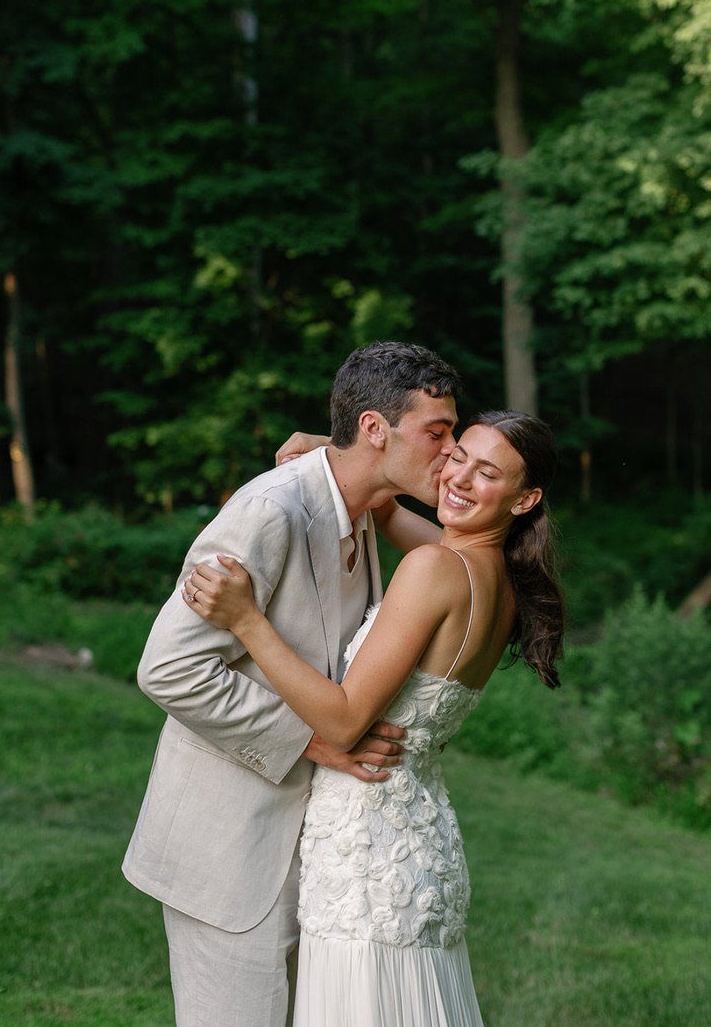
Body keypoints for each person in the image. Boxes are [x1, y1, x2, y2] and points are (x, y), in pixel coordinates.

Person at [182, 410, 564, 1027]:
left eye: (486, 472)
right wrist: (333, 453)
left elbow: (342, 721)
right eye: (458, 454)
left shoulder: (436, 568)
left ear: (526, 499)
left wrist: (246, 620)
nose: (458, 477)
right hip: (419, 842)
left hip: (365, 851)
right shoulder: (496, 581)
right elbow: (385, 510)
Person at [122, 341, 462, 1027]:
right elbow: (169, 668)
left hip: (324, 854)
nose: (450, 452)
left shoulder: (363, 506)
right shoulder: (270, 512)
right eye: (437, 432)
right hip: (227, 853)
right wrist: (313, 739)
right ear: (374, 429)